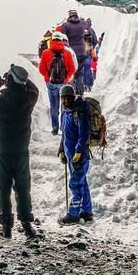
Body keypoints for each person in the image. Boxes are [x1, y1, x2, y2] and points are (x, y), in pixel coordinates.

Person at [0, 64, 41, 239]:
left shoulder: (0, 102)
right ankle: (27, 224)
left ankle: (6, 226)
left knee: (3, 188)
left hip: (3, 150)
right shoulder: (30, 97)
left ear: (9, 80)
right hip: (21, 149)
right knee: (23, 187)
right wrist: (21, 80)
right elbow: (34, 88)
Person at [56, 84, 94, 225]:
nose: (65, 101)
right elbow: (65, 134)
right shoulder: (66, 111)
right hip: (70, 154)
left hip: (79, 156)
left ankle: (73, 215)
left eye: (68, 98)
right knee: (81, 182)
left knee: (76, 184)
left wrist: (78, 152)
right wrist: (61, 150)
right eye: (63, 98)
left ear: (72, 97)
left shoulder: (80, 111)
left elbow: (84, 135)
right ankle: (87, 211)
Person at [38, 33, 76, 130]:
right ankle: (63, 126)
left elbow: (41, 69)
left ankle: (54, 128)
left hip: (51, 83)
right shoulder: (67, 53)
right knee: (64, 104)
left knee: (53, 105)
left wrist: (47, 77)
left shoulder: (45, 52)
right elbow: (72, 69)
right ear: (61, 40)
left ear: (52, 40)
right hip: (63, 83)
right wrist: (66, 78)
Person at [59, 9, 98, 91]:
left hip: (71, 53)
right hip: (82, 53)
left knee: (71, 72)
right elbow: (88, 24)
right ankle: (80, 93)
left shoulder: (66, 25)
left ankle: (72, 91)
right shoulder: (82, 23)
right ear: (76, 15)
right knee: (80, 73)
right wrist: (89, 20)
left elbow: (62, 37)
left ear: (69, 15)